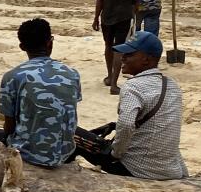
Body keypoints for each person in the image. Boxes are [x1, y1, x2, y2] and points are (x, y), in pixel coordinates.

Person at [75, 32, 187, 179]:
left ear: (146, 60)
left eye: (129, 55)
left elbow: (127, 125)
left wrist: (115, 154)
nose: (123, 58)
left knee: (71, 133)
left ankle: (65, 177)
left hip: (138, 168)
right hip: (170, 168)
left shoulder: (133, 87)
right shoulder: (171, 85)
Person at [0, 18, 81, 168]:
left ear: (22, 46)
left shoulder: (13, 76)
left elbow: (9, 126)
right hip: (65, 152)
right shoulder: (72, 73)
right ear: (50, 42)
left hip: (28, 154)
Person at [93, 0, 140, 94]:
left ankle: (109, 77)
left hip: (106, 16)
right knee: (119, 48)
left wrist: (95, 18)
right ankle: (114, 84)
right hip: (123, 16)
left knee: (108, 46)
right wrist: (135, 15)